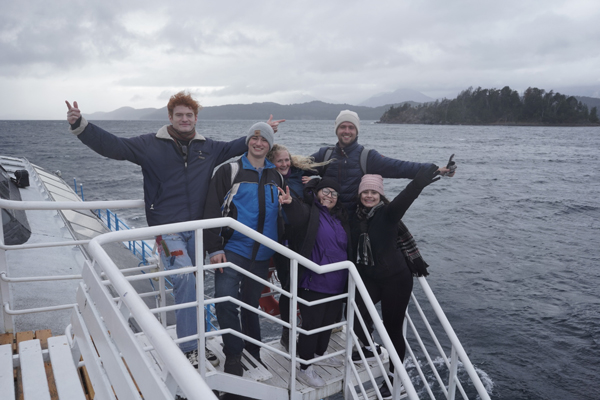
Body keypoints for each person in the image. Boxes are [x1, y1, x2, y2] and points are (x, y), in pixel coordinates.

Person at [65, 92, 284, 369]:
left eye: (189, 115)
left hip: (199, 228)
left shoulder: (208, 147)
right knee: (184, 279)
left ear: (195, 118)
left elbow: (236, 147)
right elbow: (115, 147)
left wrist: (261, 132)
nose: (184, 119)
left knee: (195, 286)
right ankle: (190, 349)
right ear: (170, 117)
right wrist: (82, 127)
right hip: (168, 230)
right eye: (179, 115)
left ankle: (196, 341)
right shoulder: (149, 144)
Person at [203, 122, 285, 376]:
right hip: (232, 250)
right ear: (248, 140)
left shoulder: (277, 176)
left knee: (250, 305)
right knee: (226, 302)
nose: (258, 143)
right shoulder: (229, 171)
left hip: (261, 256)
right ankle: (234, 355)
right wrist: (214, 248)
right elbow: (211, 209)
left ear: (269, 145)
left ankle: (253, 352)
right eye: (255, 138)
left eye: (264, 140)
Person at [350, 169, 440, 398]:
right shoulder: (354, 215)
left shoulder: (389, 214)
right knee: (355, 311)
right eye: (365, 192)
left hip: (396, 280)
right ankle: (368, 348)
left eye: (373, 192)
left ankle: (393, 377)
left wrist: (426, 176)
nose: (369, 196)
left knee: (392, 331)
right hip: (370, 278)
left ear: (380, 194)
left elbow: (409, 193)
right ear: (360, 194)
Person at [278, 178, 351, 388]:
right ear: (317, 193)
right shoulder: (310, 212)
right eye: (325, 191)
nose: (329, 196)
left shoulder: (339, 218)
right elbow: (297, 216)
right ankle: (305, 368)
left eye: (334, 194)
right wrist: (290, 203)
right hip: (314, 281)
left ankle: (322, 353)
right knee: (312, 326)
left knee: (328, 323)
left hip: (337, 281)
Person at [311, 110, 456, 213]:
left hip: (354, 221)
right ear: (336, 130)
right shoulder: (325, 154)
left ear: (357, 131)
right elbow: (293, 166)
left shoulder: (367, 156)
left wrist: (437, 170)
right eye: (343, 127)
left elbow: (400, 167)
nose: (347, 131)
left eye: (351, 127)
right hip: (326, 218)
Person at [265, 144, 331, 350]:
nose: (284, 164)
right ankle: (288, 332)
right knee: (288, 287)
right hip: (282, 240)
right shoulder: (267, 178)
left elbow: (325, 183)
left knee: (307, 284)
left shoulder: (301, 175)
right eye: (279, 161)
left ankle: (308, 328)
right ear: (271, 162)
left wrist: (316, 181)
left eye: (287, 160)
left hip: (306, 239)